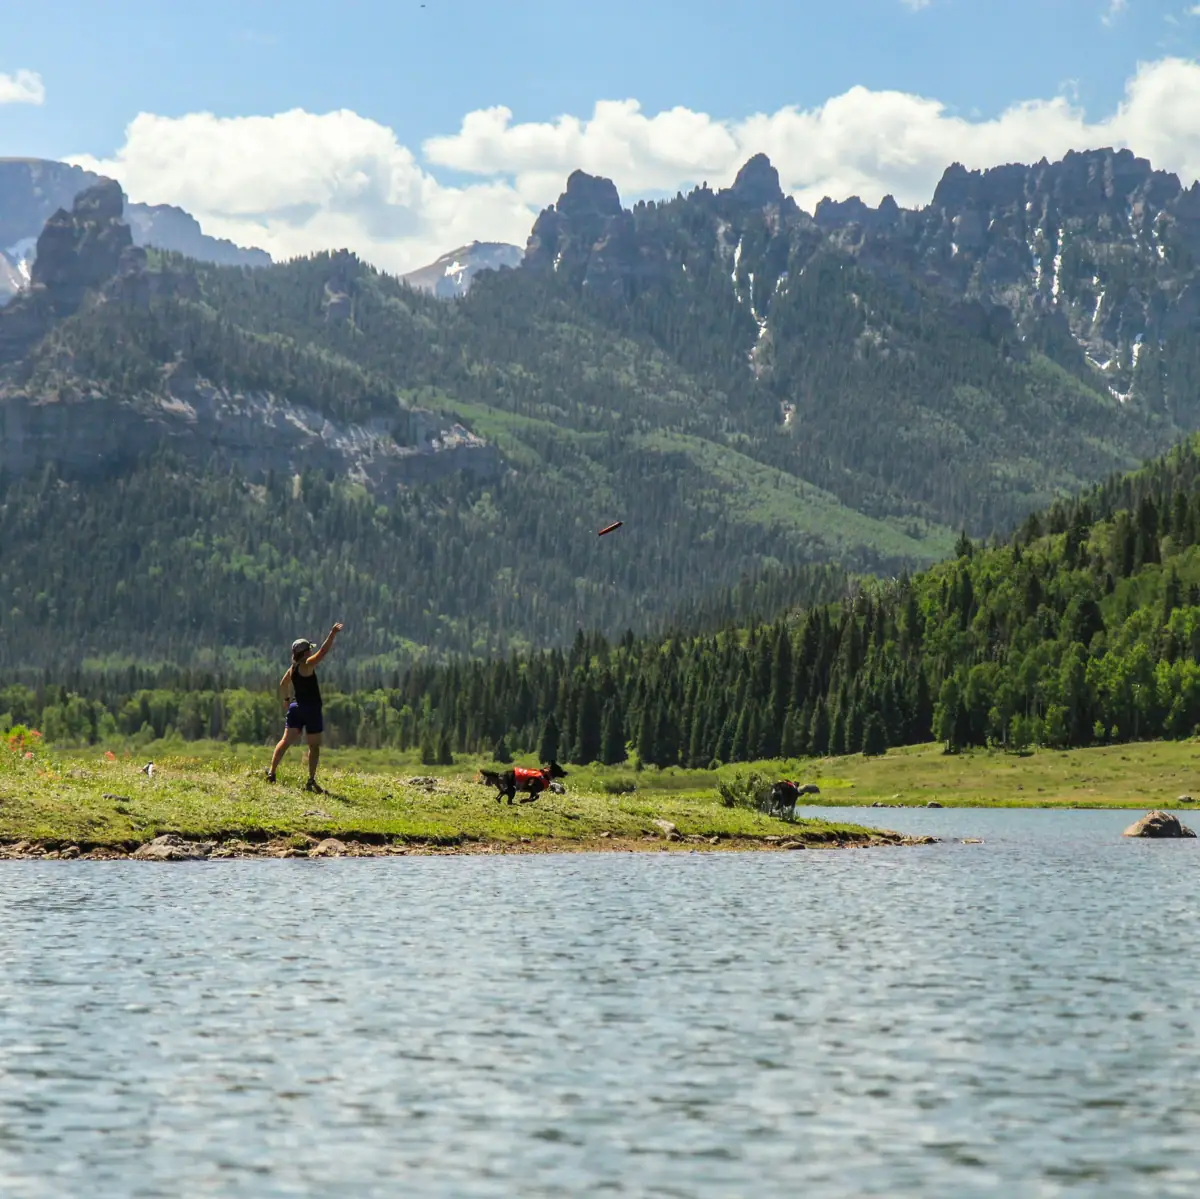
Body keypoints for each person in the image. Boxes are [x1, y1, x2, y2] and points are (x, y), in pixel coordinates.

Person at [266, 622, 343, 791]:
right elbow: (323, 652)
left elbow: (283, 684)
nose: (312, 652)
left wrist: (286, 700)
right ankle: (310, 780)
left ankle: (271, 772)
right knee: (313, 746)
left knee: (285, 741)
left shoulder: (292, 668)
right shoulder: (307, 664)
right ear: (305, 652)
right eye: (309, 649)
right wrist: (332, 634)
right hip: (312, 709)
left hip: (296, 708)